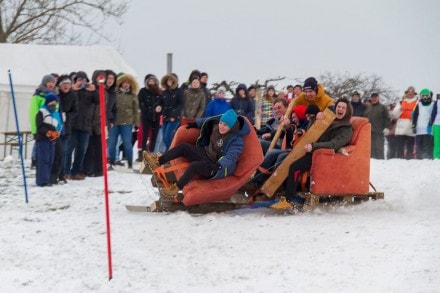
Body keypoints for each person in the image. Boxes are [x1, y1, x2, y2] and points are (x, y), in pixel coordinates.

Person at [144, 109, 250, 197]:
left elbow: (231, 156)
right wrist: (196, 123)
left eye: (225, 125)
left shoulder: (236, 140)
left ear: (231, 127)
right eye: (221, 123)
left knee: (194, 166)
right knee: (183, 147)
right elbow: (208, 120)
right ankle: (158, 161)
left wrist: (220, 165)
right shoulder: (217, 124)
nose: (221, 126)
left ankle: (175, 189)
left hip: (217, 166)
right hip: (205, 153)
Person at [271, 97, 353, 209]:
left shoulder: (346, 128)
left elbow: (334, 144)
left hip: (322, 155)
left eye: (343, 107)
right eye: (339, 106)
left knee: (294, 167)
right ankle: (281, 193)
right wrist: (316, 117)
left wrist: (314, 146)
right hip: (313, 150)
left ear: (347, 111)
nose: (340, 109)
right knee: (284, 159)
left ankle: (289, 200)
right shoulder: (330, 120)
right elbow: (313, 129)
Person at [64, 71, 98, 180]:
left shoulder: (91, 93)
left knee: (81, 150)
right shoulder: (72, 91)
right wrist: (73, 89)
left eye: (84, 80)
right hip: (72, 125)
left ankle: (76, 172)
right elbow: (66, 100)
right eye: (79, 80)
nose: (82, 83)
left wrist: (95, 90)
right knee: (68, 150)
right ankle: (66, 171)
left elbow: (99, 101)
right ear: (75, 81)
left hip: (85, 126)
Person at [107, 73, 139, 169]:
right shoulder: (115, 94)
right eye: (124, 82)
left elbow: (135, 110)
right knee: (112, 143)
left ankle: (130, 163)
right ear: (120, 83)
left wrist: (136, 123)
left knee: (127, 143)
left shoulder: (133, 96)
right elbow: (110, 107)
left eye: (128, 83)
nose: (126, 84)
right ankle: (111, 163)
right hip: (114, 122)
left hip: (127, 123)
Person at [29, 74, 57, 168]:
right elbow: (33, 113)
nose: (51, 84)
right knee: (39, 146)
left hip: (51, 127)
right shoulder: (38, 95)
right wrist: (35, 129)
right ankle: (35, 160)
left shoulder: (54, 95)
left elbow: (56, 113)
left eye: (53, 82)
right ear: (44, 83)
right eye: (49, 82)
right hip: (40, 126)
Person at [54, 75, 78, 184]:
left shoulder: (73, 95)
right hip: (54, 126)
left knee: (63, 151)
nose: (66, 86)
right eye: (64, 83)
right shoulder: (55, 94)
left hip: (66, 127)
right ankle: (53, 174)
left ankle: (61, 174)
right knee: (55, 152)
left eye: (68, 83)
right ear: (59, 85)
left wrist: (66, 116)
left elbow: (75, 110)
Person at [35, 93, 63, 187]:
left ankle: (47, 179)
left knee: (51, 159)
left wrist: (56, 133)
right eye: (52, 102)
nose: (53, 104)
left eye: (55, 103)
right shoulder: (41, 112)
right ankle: (42, 181)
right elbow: (39, 126)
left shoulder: (54, 114)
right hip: (43, 139)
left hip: (52, 141)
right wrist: (48, 132)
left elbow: (56, 126)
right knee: (44, 159)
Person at [157, 73, 184, 150]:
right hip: (165, 117)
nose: (169, 81)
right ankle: (170, 155)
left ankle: (173, 154)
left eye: (171, 79)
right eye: (168, 79)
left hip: (174, 118)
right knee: (165, 138)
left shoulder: (179, 91)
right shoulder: (164, 92)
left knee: (167, 137)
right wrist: (158, 106)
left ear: (174, 81)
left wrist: (174, 115)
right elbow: (159, 101)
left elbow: (181, 104)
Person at [391, 86, 418, 159]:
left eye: (412, 92)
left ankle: (410, 160)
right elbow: (394, 115)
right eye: (408, 92)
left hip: (410, 127)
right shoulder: (401, 102)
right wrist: (400, 109)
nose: (410, 93)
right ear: (406, 93)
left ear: (414, 93)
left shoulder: (417, 103)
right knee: (400, 147)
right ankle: (399, 160)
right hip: (401, 128)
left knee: (410, 147)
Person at [138, 74, 162, 153]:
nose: (151, 82)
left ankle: (152, 152)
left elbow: (162, 103)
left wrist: (159, 108)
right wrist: (146, 111)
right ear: (146, 82)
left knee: (154, 136)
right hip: (146, 117)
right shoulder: (142, 91)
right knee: (145, 135)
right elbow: (140, 103)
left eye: (153, 81)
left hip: (156, 117)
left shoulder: (159, 91)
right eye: (150, 81)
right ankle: (143, 151)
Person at [363, 92, 391, 159]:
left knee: (379, 150)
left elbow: (387, 118)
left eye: (375, 97)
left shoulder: (383, 107)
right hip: (369, 133)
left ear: (378, 98)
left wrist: (387, 127)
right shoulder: (368, 109)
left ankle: (380, 165)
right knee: (370, 150)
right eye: (373, 97)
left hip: (379, 132)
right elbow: (364, 120)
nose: (374, 99)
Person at [412, 88, 434, 159]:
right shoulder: (419, 104)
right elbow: (415, 115)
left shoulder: (433, 104)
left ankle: (428, 158)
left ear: (429, 96)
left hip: (428, 129)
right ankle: (419, 158)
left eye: (426, 96)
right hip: (419, 129)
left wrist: (430, 125)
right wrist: (413, 125)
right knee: (419, 145)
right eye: (423, 96)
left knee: (427, 144)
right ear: (421, 96)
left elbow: (434, 115)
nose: (424, 97)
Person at [430, 92, 440, 159]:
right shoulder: (437, 102)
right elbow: (433, 113)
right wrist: (430, 124)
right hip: (437, 124)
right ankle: (436, 156)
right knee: (437, 142)